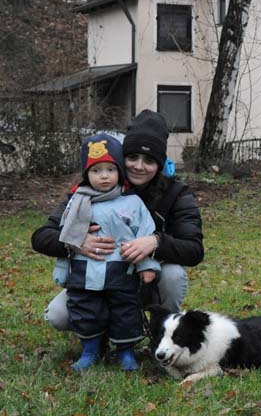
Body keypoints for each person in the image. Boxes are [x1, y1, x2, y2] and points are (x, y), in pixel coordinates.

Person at [33, 110, 205, 332]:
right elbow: (40, 237)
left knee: (173, 275)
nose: (139, 166)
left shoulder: (176, 193)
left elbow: (194, 249)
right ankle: (97, 332)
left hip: (145, 279)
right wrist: (75, 240)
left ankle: (162, 330)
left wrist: (155, 242)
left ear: (160, 165)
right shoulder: (87, 192)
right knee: (58, 316)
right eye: (132, 157)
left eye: (149, 161)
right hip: (94, 280)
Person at [53, 133, 161, 372]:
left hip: (121, 270)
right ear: (86, 175)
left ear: (119, 172)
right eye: (96, 171)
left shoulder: (132, 203)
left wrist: (146, 267)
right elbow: (64, 236)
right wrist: (62, 267)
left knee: (125, 311)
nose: (103, 176)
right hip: (85, 271)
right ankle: (90, 351)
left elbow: (143, 234)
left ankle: (126, 353)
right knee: (85, 311)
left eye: (110, 170)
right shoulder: (77, 202)